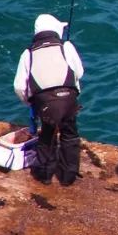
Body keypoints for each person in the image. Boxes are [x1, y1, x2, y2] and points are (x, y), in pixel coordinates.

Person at [13, 13, 85, 186]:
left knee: (47, 135)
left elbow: (19, 86)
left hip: (45, 103)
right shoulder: (66, 46)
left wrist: (30, 102)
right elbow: (80, 72)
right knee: (70, 134)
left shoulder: (28, 54)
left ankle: (44, 174)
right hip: (69, 99)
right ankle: (69, 176)